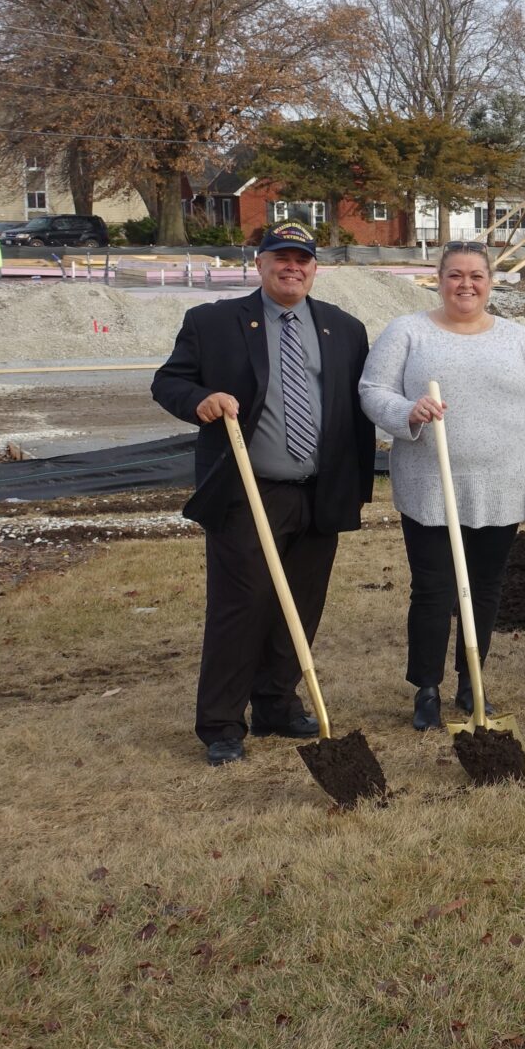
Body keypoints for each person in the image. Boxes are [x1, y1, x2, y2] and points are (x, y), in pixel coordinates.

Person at [150, 222, 374, 766]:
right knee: (241, 603)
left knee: (300, 602)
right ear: (260, 262)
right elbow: (168, 382)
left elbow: (357, 413)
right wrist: (200, 399)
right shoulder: (213, 323)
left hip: (321, 492)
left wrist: (356, 488)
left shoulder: (344, 329)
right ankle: (222, 724)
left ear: (315, 267)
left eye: (302, 259)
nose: (291, 267)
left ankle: (276, 702)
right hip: (248, 491)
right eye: (281, 258)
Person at [359, 242, 525, 729]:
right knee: (433, 589)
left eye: (476, 275)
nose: (465, 284)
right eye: (455, 275)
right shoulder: (408, 332)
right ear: (439, 278)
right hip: (431, 484)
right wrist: (406, 412)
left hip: (501, 485)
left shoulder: (518, 339)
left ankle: (471, 680)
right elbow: (372, 390)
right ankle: (426, 688)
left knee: (487, 587)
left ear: (490, 282)